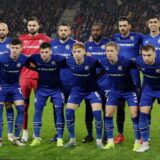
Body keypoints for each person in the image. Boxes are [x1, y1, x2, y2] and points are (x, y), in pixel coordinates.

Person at [101, 42, 140, 151]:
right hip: (114, 91)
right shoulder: (103, 62)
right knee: (108, 114)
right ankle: (110, 142)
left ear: (117, 51)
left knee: (134, 115)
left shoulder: (126, 61)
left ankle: (138, 141)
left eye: (111, 51)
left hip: (129, 91)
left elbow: (139, 65)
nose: (109, 53)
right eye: (107, 51)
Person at [64, 43, 103, 149]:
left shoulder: (92, 61)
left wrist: (98, 76)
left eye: (79, 51)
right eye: (74, 52)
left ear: (84, 52)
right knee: (68, 112)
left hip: (92, 90)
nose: (76, 54)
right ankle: (72, 140)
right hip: (77, 91)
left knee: (97, 114)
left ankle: (99, 141)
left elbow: (104, 67)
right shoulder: (69, 61)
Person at [19, 16, 51, 142]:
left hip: (39, 79)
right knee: (24, 106)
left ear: (38, 26)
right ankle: (25, 132)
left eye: (34, 25)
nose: (32, 27)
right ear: (27, 27)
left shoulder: (45, 39)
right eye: (30, 25)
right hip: (25, 78)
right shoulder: (21, 39)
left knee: (39, 106)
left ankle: (36, 132)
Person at [112, 16, 143, 144]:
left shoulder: (138, 37)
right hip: (119, 77)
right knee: (120, 107)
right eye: (120, 26)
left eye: (125, 25)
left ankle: (141, 135)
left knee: (136, 108)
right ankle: (120, 134)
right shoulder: (115, 38)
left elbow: (148, 46)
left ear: (129, 26)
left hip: (134, 76)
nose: (122, 28)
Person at [28, 42, 65, 147]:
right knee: (37, 112)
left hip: (56, 89)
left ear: (51, 52)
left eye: (46, 52)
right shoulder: (35, 58)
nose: (44, 54)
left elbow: (69, 63)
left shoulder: (59, 59)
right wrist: (35, 68)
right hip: (41, 90)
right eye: (42, 52)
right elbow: (26, 62)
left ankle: (60, 138)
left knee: (59, 112)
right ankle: (36, 138)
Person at [83, 23, 110, 143]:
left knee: (105, 108)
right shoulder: (87, 45)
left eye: (97, 30)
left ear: (101, 30)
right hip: (90, 81)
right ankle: (89, 134)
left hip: (105, 81)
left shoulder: (107, 43)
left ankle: (105, 135)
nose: (95, 32)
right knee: (88, 108)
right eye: (93, 30)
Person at [0, 39, 28, 147]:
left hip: (15, 87)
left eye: (17, 48)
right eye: (12, 48)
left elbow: (34, 63)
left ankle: (16, 138)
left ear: (21, 49)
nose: (14, 50)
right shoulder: (2, 58)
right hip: (2, 87)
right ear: (9, 48)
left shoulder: (24, 58)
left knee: (21, 109)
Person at [50, 22, 75, 142]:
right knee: (57, 108)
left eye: (66, 30)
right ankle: (58, 132)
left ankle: (71, 134)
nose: (63, 32)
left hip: (71, 82)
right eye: (61, 30)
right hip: (56, 83)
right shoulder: (52, 44)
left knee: (70, 109)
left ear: (69, 32)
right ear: (58, 32)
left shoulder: (75, 45)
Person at [135, 44, 160, 152]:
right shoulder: (138, 61)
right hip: (148, 89)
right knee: (143, 113)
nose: (146, 58)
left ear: (155, 53)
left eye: (149, 55)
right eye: (144, 55)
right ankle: (145, 143)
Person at [142, 15, 160, 143]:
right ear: (148, 25)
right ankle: (146, 136)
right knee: (146, 109)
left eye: (155, 22)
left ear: (159, 24)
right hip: (148, 80)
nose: (153, 24)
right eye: (151, 22)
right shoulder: (144, 39)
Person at [0, 22, 15, 142]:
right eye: (0, 29)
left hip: (8, 80)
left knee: (8, 105)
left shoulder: (12, 43)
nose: (1, 31)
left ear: (8, 31)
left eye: (4, 29)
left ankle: (10, 134)